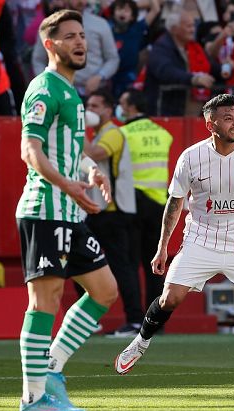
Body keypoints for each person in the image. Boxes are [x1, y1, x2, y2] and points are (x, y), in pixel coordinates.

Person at [113, 94, 234, 384]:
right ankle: (140, 343)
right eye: (228, 119)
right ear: (211, 124)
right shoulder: (191, 157)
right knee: (170, 298)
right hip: (201, 238)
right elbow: (175, 203)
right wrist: (162, 248)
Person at [17, 9, 118, 411]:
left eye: (82, 35)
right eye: (70, 36)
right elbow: (31, 150)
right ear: (49, 45)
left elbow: (69, 152)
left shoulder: (71, 92)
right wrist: (69, 186)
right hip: (45, 209)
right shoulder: (43, 89)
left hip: (70, 213)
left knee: (105, 291)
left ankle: (53, 367)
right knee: (45, 301)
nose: (80, 42)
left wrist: (90, 169)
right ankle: (34, 397)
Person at [82, 90, 141, 337]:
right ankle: (87, 318)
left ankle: (136, 321)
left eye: (95, 106)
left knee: (121, 267)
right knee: (81, 260)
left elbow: (96, 155)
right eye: (88, 106)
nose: (90, 110)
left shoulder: (113, 132)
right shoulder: (99, 133)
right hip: (100, 210)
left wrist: (78, 130)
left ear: (108, 109)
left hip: (114, 211)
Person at [117, 88, 173, 336]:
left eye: (122, 103)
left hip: (133, 203)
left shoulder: (122, 134)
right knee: (155, 266)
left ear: (129, 107)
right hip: (159, 205)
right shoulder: (163, 134)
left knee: (129, 264)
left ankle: (133, 319)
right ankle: (155, 322)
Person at [32, 0, 120, 97]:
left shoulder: (100, 24)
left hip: (96, 93)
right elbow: (38, 59)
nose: (81, 1)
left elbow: (113, 58)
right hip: (60, 93)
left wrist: (100, 76)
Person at [144, 10, 219, 116]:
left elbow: (212, 67)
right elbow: (166, 71)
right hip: (167, 113)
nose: (193, 30)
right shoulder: (160, 48)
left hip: (194, 116)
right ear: (174, 29)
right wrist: (194, 79)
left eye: (193, 26)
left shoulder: (194, 47)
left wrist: (227, 67)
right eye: (189, 26)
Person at [108, 0, 161, 97]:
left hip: (128, 76)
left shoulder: (137, 28)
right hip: (109, 76)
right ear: (113, 13)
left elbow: (155, 10)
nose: (122, 12)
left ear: (132, 17)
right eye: (119, 9)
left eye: (127, 10)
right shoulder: (106, 28)